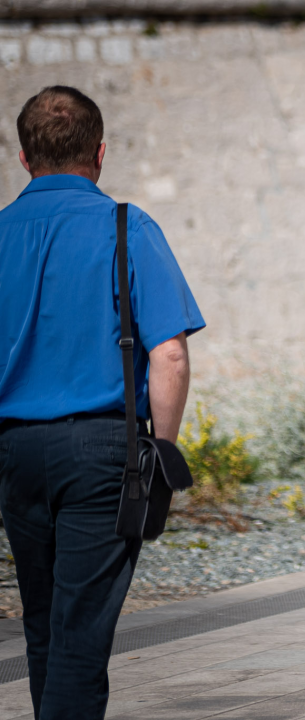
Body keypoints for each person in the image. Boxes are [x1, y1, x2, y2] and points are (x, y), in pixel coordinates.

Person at [0, 87, 204, 719]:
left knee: (43, 623)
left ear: (24, 157)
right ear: (100, 152)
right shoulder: (128, 226)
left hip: (13, 451)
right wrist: (160, 451)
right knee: (81, 635)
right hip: (100, 451)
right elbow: (169, 354)